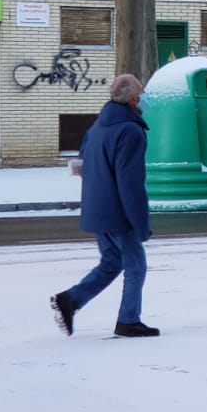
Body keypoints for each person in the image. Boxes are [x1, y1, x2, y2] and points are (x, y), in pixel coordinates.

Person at [50, 73, 159, 338]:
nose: (144, 98)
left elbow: (82, 166)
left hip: (97, 208)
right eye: (142, 94)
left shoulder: (98, 127)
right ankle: (128, 320)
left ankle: (70, 300)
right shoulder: (130, 131)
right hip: (119, 212)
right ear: (133, 99)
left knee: (111, 262)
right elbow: (130, 184)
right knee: (135, 266)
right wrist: (140, 224)